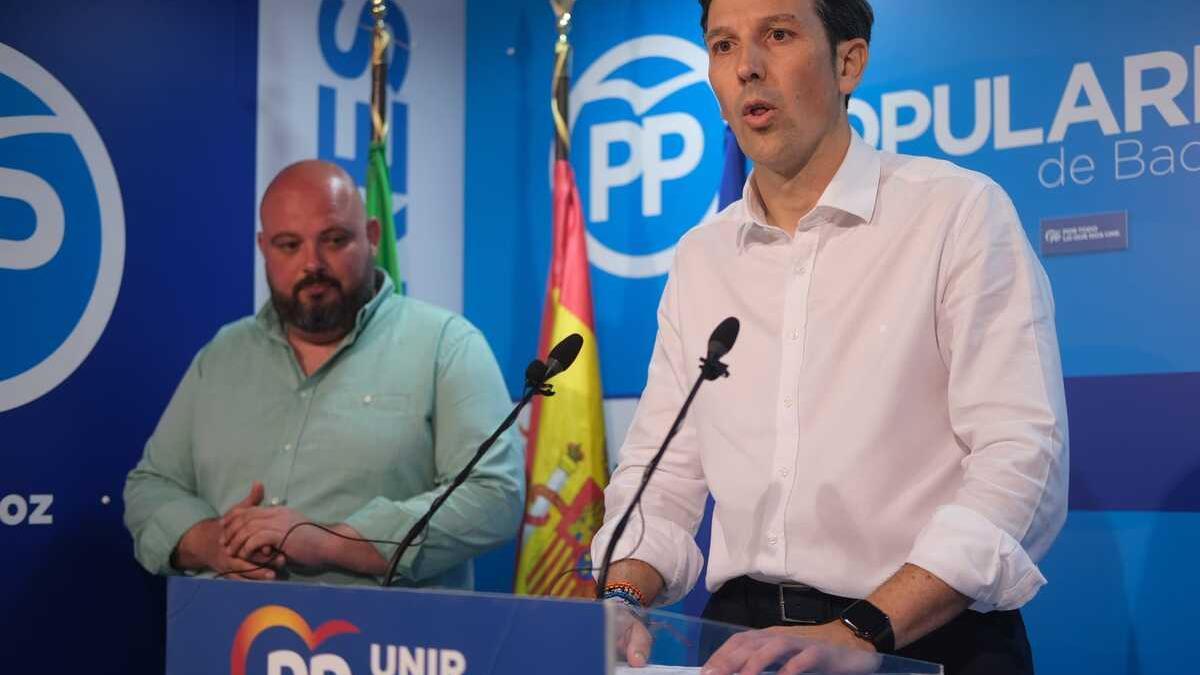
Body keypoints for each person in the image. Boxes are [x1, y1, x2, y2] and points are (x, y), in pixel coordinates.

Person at [590, 1, 1068, 673]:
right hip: (740, 642)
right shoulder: (702, 257)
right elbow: (661, 475)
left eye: (777, 36)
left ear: (849, 61)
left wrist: (862, 629)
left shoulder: (955, 213)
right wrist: (622, 597)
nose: (747, 68)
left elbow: (1022, 458)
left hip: (921, 638)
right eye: (723, 46)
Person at [123, 160, 524, 589]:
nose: (311, 263)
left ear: (371, 237)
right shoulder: (222, 355)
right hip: (226, 640)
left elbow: (494, 495)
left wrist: (333, 542)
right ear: (263, 247)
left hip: (390, 648)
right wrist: (210, 542)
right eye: (288, 245)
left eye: (333, 240)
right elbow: (151, 486)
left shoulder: (446, 344)